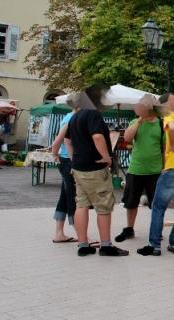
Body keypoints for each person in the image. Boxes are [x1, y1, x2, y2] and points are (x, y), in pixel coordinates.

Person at [64, 88, 128, 257]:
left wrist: (74, 159)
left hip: (78, 167)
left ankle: (83, 244)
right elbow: (98, 137)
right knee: (103, 206)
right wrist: (106, 157)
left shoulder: (76, 116)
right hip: (94, 168)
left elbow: (67, 140)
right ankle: (106, 245)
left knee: (81, 205)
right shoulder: (93, 114)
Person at [137, 94, 174, 256]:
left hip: (173, 169)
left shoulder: (170, 117)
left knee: (158, 207)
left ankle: (154, 245)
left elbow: (171, 127)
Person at [116, 96, 163, 243]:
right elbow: (127, 138)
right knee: (131, 202)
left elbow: (165, 147)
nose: (137, 108)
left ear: (149, 108)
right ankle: (129, 229)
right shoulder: (135, 122)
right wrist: (139, 121)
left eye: (140, 106)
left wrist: (165, 167)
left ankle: (156, 230)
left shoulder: (160, 124)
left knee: (156, 204)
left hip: (155, 171)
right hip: (136, 169)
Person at [50, 101, 80, 243]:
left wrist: (57, 155)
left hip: (65, 160)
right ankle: (79, 231)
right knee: (72, 196)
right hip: (68, 161)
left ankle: (59, 233)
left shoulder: (69, 116)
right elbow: (59, 140)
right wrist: (55, 154)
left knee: (64, 195)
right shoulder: (72, 119)